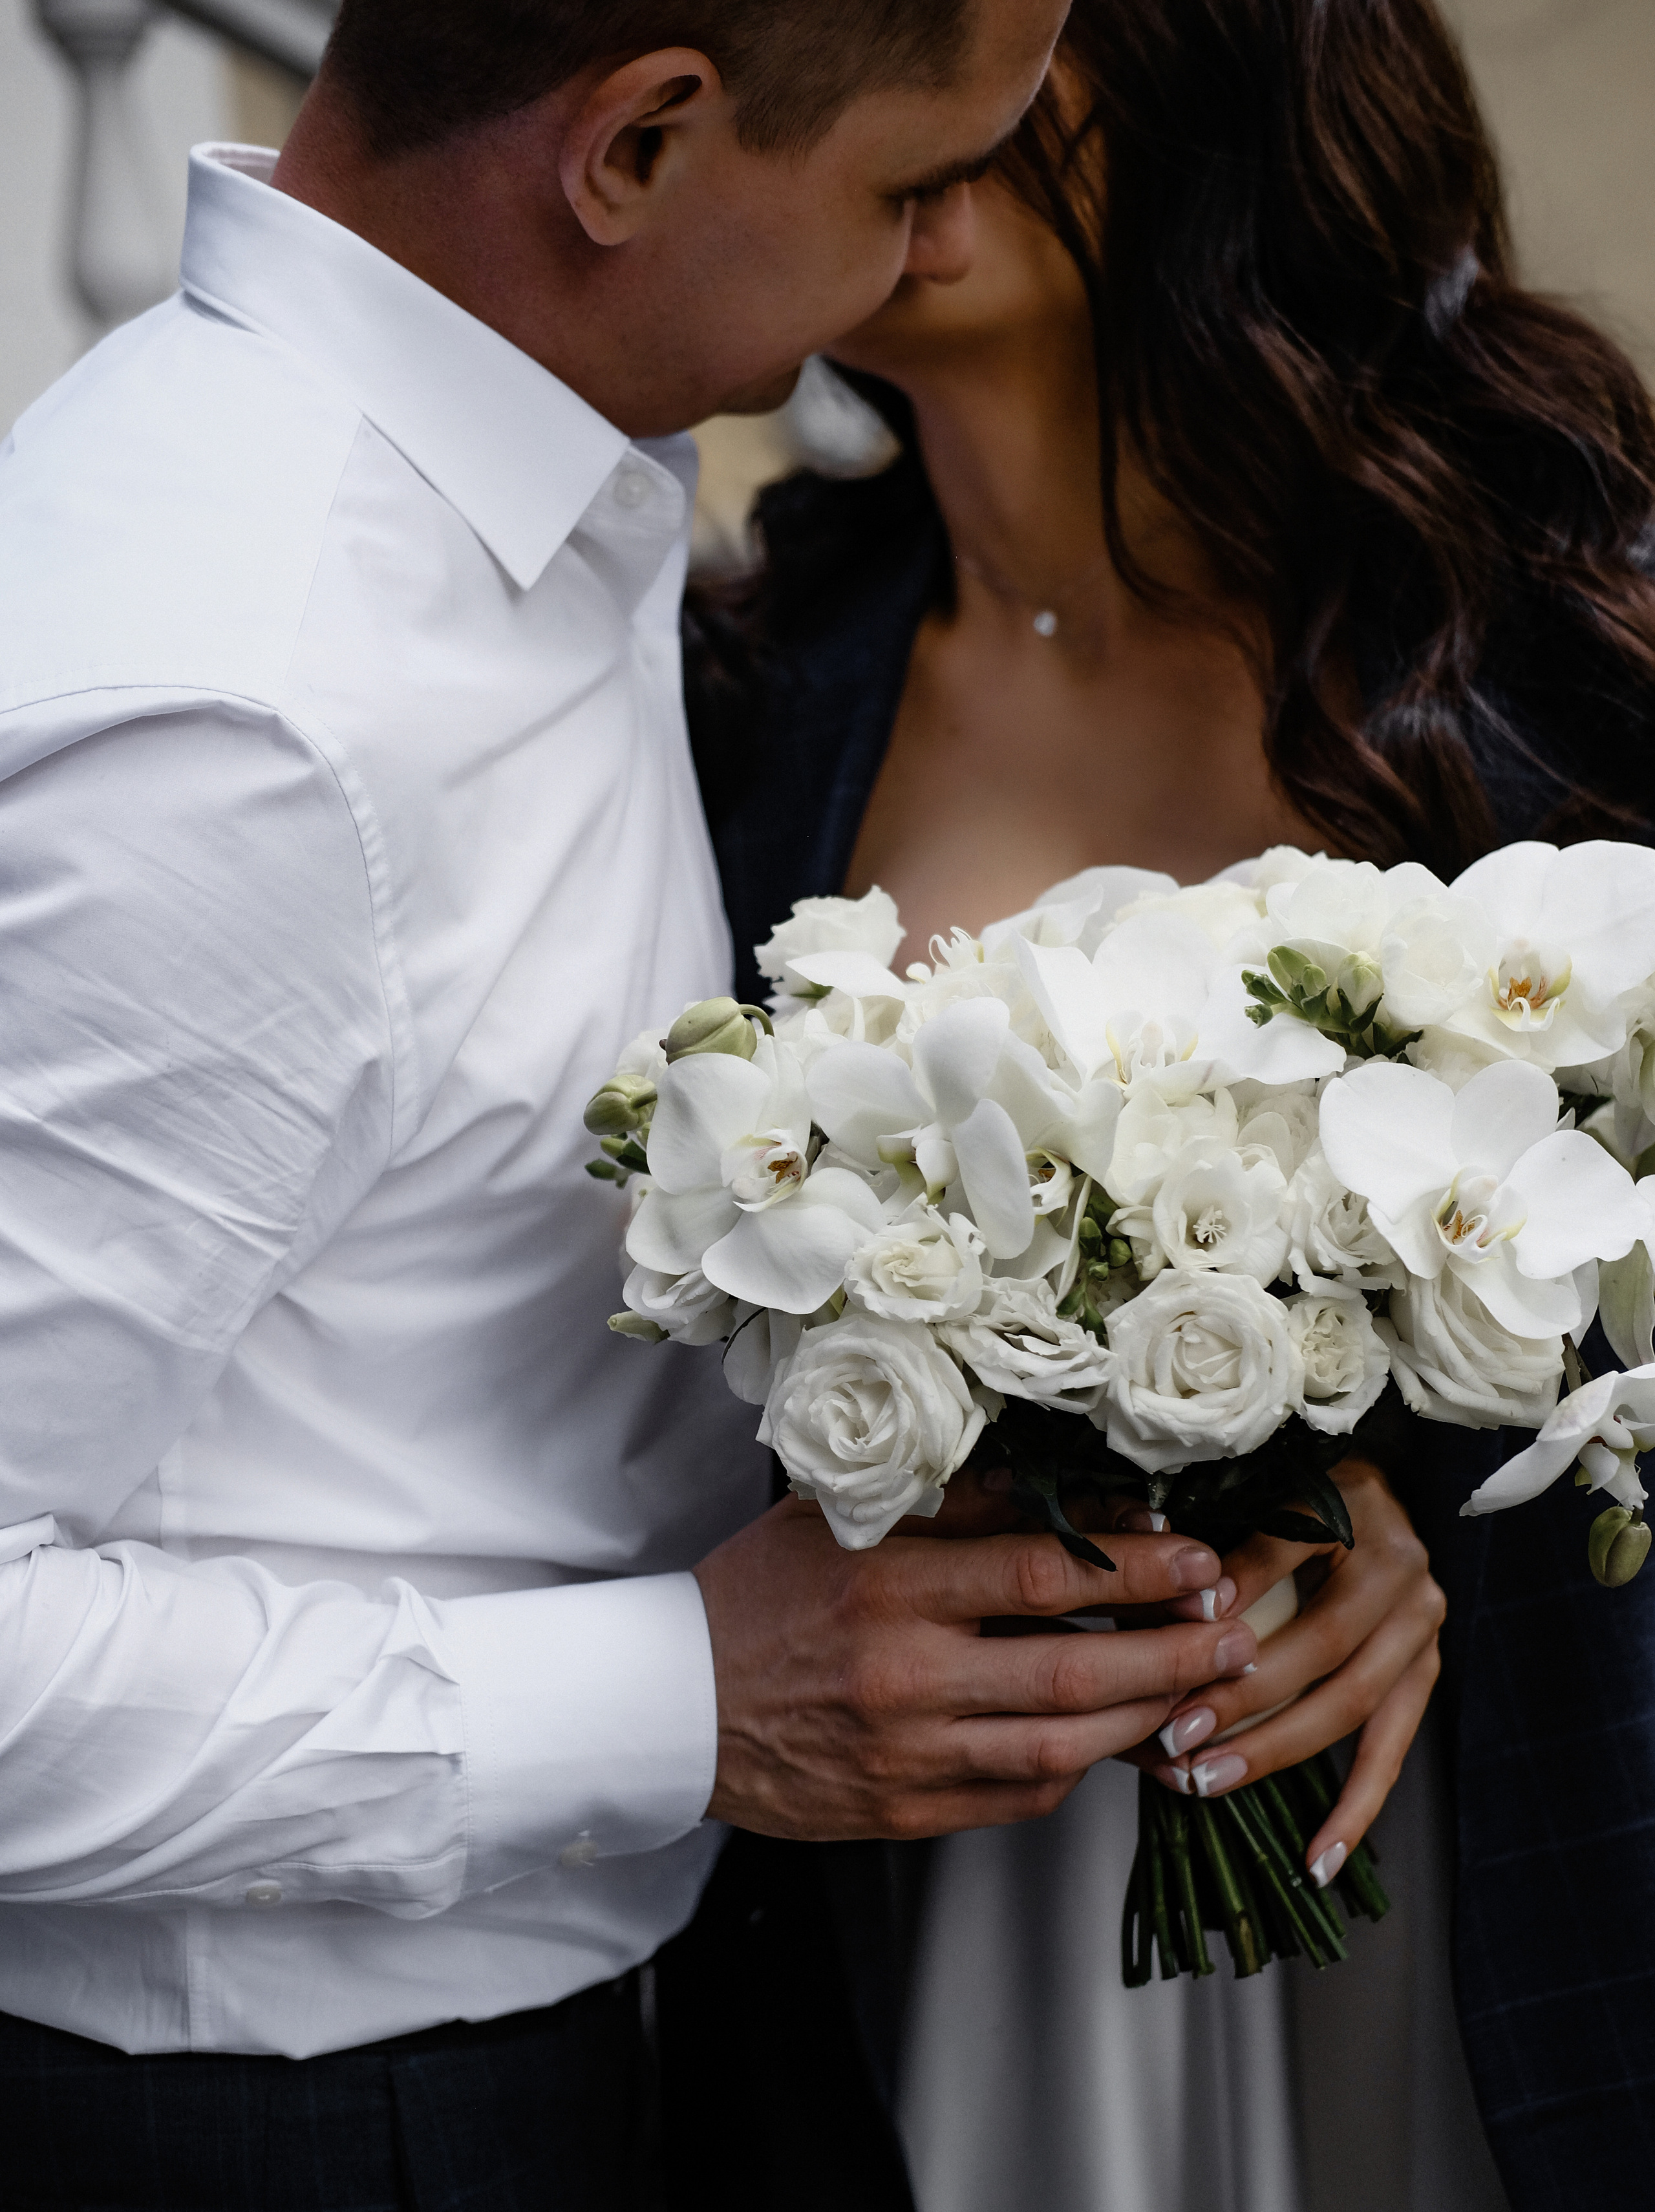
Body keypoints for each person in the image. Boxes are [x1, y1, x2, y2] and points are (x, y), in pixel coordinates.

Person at [0, 5, 1288, 2208]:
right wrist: (684, 1699)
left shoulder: (527, 484)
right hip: (292, 2121)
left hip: (602, 2021)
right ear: (636, 150)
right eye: (905, 185)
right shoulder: (246, 720)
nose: (927, 259)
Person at [683, 1, 1655, 2207]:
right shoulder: (738, 700)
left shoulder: (1551, 659)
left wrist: (1402, 1516)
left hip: (1473, 1874)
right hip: (931, 1892)